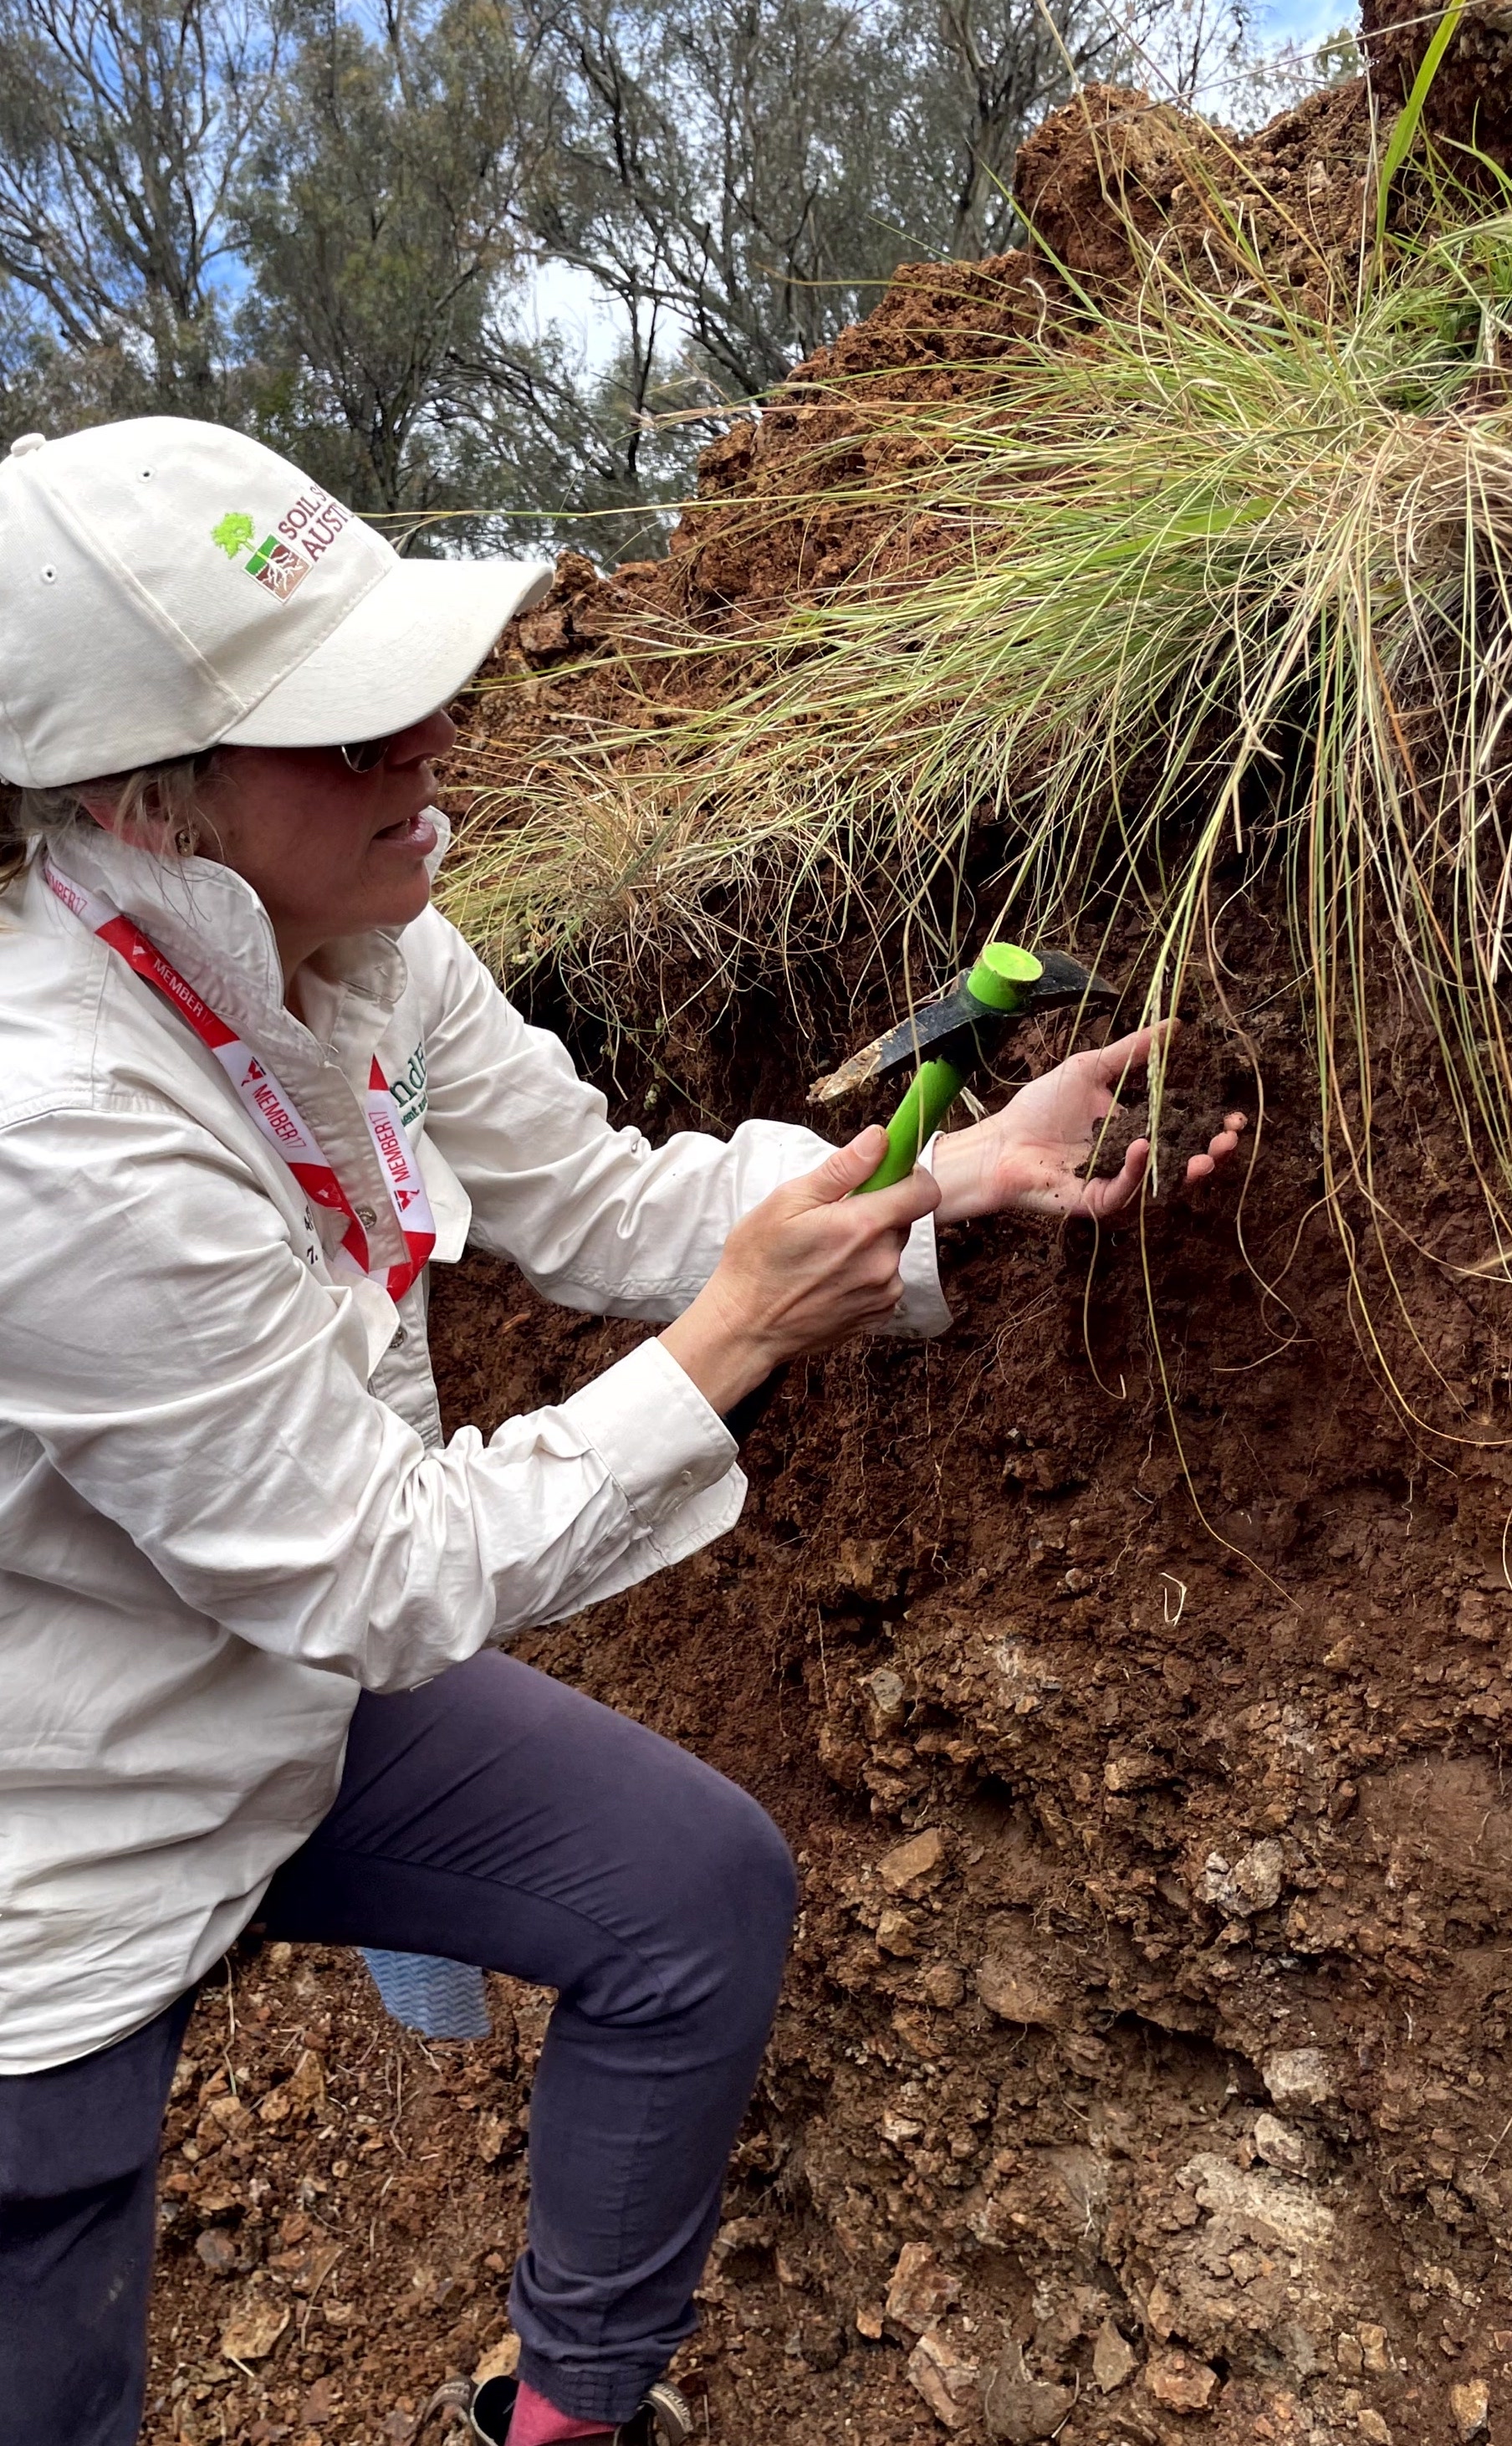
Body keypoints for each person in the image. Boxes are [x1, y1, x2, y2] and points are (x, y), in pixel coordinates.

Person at [0, 417, 1244, 2446]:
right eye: (345, 729)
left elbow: (596, 1199)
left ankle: (561, 2420)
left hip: (275, 1697)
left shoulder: (366, 934)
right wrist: (738, 1341)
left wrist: (952, 1182)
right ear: (151, 805)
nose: (427, 758)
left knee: (689, 1892)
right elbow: (376, 1568)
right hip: (52, 1865)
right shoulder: (56, 1131)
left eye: (419, 693)